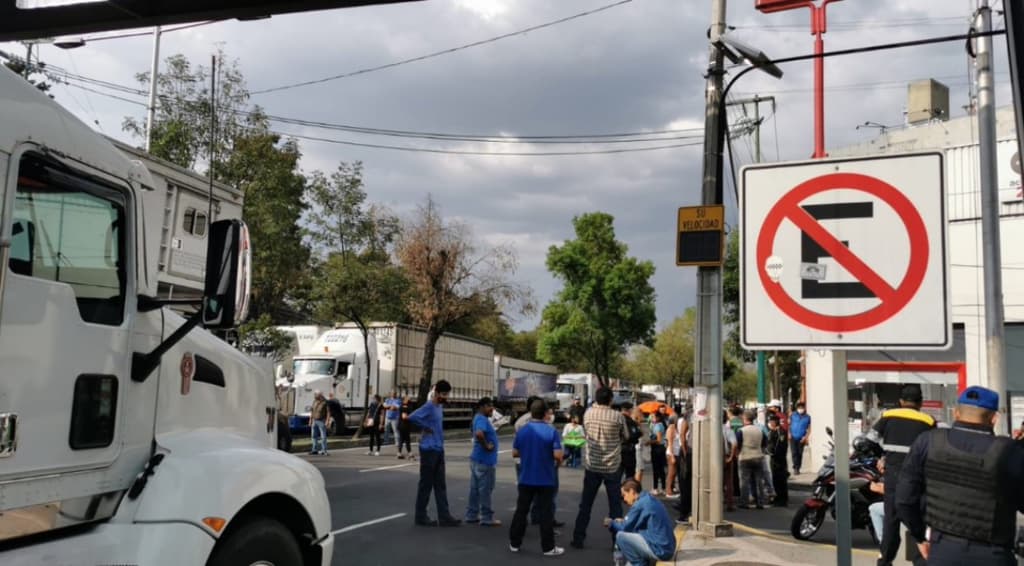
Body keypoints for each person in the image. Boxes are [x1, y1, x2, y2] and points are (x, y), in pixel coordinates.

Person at [896, 386, 1024, 566]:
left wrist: (919, 536)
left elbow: (904, 500)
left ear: (956, 413)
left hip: (942, 550)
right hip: (993, 554)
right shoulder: (1009, 451)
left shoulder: (928, 441)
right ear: (994, 418)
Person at [869, 384, 935, 566]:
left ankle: (885, 559)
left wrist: (883, 457)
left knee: (891, 521)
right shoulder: (928, 421)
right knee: (917, 520)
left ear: (900, 401)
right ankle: (921, 558)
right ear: (920, 402)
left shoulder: (887, 416)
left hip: (892, 476)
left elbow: (869, 440)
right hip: (917, 479)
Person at [571, 387, 628, 550]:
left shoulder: (588, 414)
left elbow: (587, 432)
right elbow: (626, 436)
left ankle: (578, 538)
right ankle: (617, 543)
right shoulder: (617, 416)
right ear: (610, 399)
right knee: (615, 506)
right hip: (612, 466)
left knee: (586, 504)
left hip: (592, 465)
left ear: (596, 399)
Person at [509, 399, 565, 556]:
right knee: (545, 513)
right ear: (545, 413)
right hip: (546, 477)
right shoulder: (551, 431)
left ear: (531, 413)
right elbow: (557, 455)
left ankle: (514, 543)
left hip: (526, 476)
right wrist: (558, 462)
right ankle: (548, 547)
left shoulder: (523, 430)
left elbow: (515, 452)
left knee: (521, 511)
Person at [409, 380, 461, 527]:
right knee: (426, 484)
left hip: (438, 449)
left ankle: (444, 516)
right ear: (437, 393)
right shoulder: (430, 406)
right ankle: (420, 516)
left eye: (447, 394)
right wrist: (426, 426)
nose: (446, 397)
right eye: (444, 394)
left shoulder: (439, 407)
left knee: (440, 484)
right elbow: (412, 417)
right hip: (428, 450)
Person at [605, 479, 677, 566]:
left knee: (620, 536)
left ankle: (639, 563)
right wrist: (624, 521)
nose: (624, 499)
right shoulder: (649, 499)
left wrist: (611, 523)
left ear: (632, 491)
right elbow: (635, 524)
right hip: (668, 548)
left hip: (660, 550)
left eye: (624, 495)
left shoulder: (639, 504)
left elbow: (624, 527)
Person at [466, 397, 501, 526]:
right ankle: (486, 517)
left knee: (475, 489)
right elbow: (480, 434)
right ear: (482, 407)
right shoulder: (481, 419)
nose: (492, 409)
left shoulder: (479, 418)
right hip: (485, 461)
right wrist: (487, 446)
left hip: (477, 459)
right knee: (485, 489)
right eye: (490, 406)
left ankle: (471, 514)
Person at [736, 410, 767, 509]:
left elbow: (738, 444)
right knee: (759, 481)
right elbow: (765, 443)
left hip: (745, 457)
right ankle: (760, 502)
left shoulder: (741, 431)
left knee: (744, 481)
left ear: (745, 419)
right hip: (758, 457)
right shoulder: (760, 430)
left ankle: (744, 502)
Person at [766, 415, 788, 507]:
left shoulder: (780, 432)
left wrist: (771, 452)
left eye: (771, 422)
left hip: (778, 459)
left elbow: (778, 446)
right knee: (776, 479)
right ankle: (778, 497)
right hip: (775, 459)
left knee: (780, 480)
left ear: (774, 422)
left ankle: (782, 500)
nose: (769, 424)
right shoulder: (774, 431)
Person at [619, 403, 643, 482]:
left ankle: (618, 492)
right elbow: (632, 435)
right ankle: (628, 491)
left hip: (618, 449)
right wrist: (638, 433)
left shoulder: (617, 418)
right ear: (629, 410)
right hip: (628, 449)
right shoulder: (628, 420)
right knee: (629, 474)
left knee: (617, 475)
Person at [647, 412, 668, 496]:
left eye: (653, 417)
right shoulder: (659, 425)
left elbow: (659, 440)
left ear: (658, 418)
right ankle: (663, 487)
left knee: (656, 469)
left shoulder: (658, 426)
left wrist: (649, 442)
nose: (652, 418)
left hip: (657, 449)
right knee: (661, 469)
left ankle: (655, 488)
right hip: (661, 448)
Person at [789, 402, 811, 475]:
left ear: (804, 409)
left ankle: (798, 467)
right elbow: (789, 425)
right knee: (794, 453)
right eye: (799, 408)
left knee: (799, 453)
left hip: (801, 438)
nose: (800, 409)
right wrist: (789, 433)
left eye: (802, 408)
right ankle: (795, 468)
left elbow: (809, 428)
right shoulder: (793, 415)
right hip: (793, 437)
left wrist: (805, 437)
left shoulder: (807, 417)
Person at [722, 411, 738, 511]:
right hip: (725, 457)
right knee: (728, 481)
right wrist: (731, 457)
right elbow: (734, 444)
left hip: (712, 458)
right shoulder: (727, 429)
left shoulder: (709, 429)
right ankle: (729, 504)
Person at [664, 414, 680, 499]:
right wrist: (672, 455)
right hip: (671, 453)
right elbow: (669, 443)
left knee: (673, 473)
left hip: (675, 452)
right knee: (671, 473)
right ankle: (668, 491)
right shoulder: (671, 428)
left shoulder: (675, 428)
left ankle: (671, 489)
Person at [309, 390, 329, 456]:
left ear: (320, 395)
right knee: (314, 436)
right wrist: (310, 420)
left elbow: (328, 413)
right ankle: (314, 450)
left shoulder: (325, 402)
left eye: (315, 394)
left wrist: (327, 421)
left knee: (323, 437)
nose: (314, 395)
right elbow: (312, 411)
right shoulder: (314, 401)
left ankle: (324, 450)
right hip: (314, 420)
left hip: (321, 421)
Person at [398, 395, 414, 460]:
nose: (409, 399)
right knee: (407, 439)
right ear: (405, 399)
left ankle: (399, 453)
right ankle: (410, 453)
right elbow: (404, 416)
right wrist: (410, 417)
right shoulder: (404, 406)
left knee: (402, 439)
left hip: (404, 424)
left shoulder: (407, 405)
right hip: (404, 425)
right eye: (408, 398)